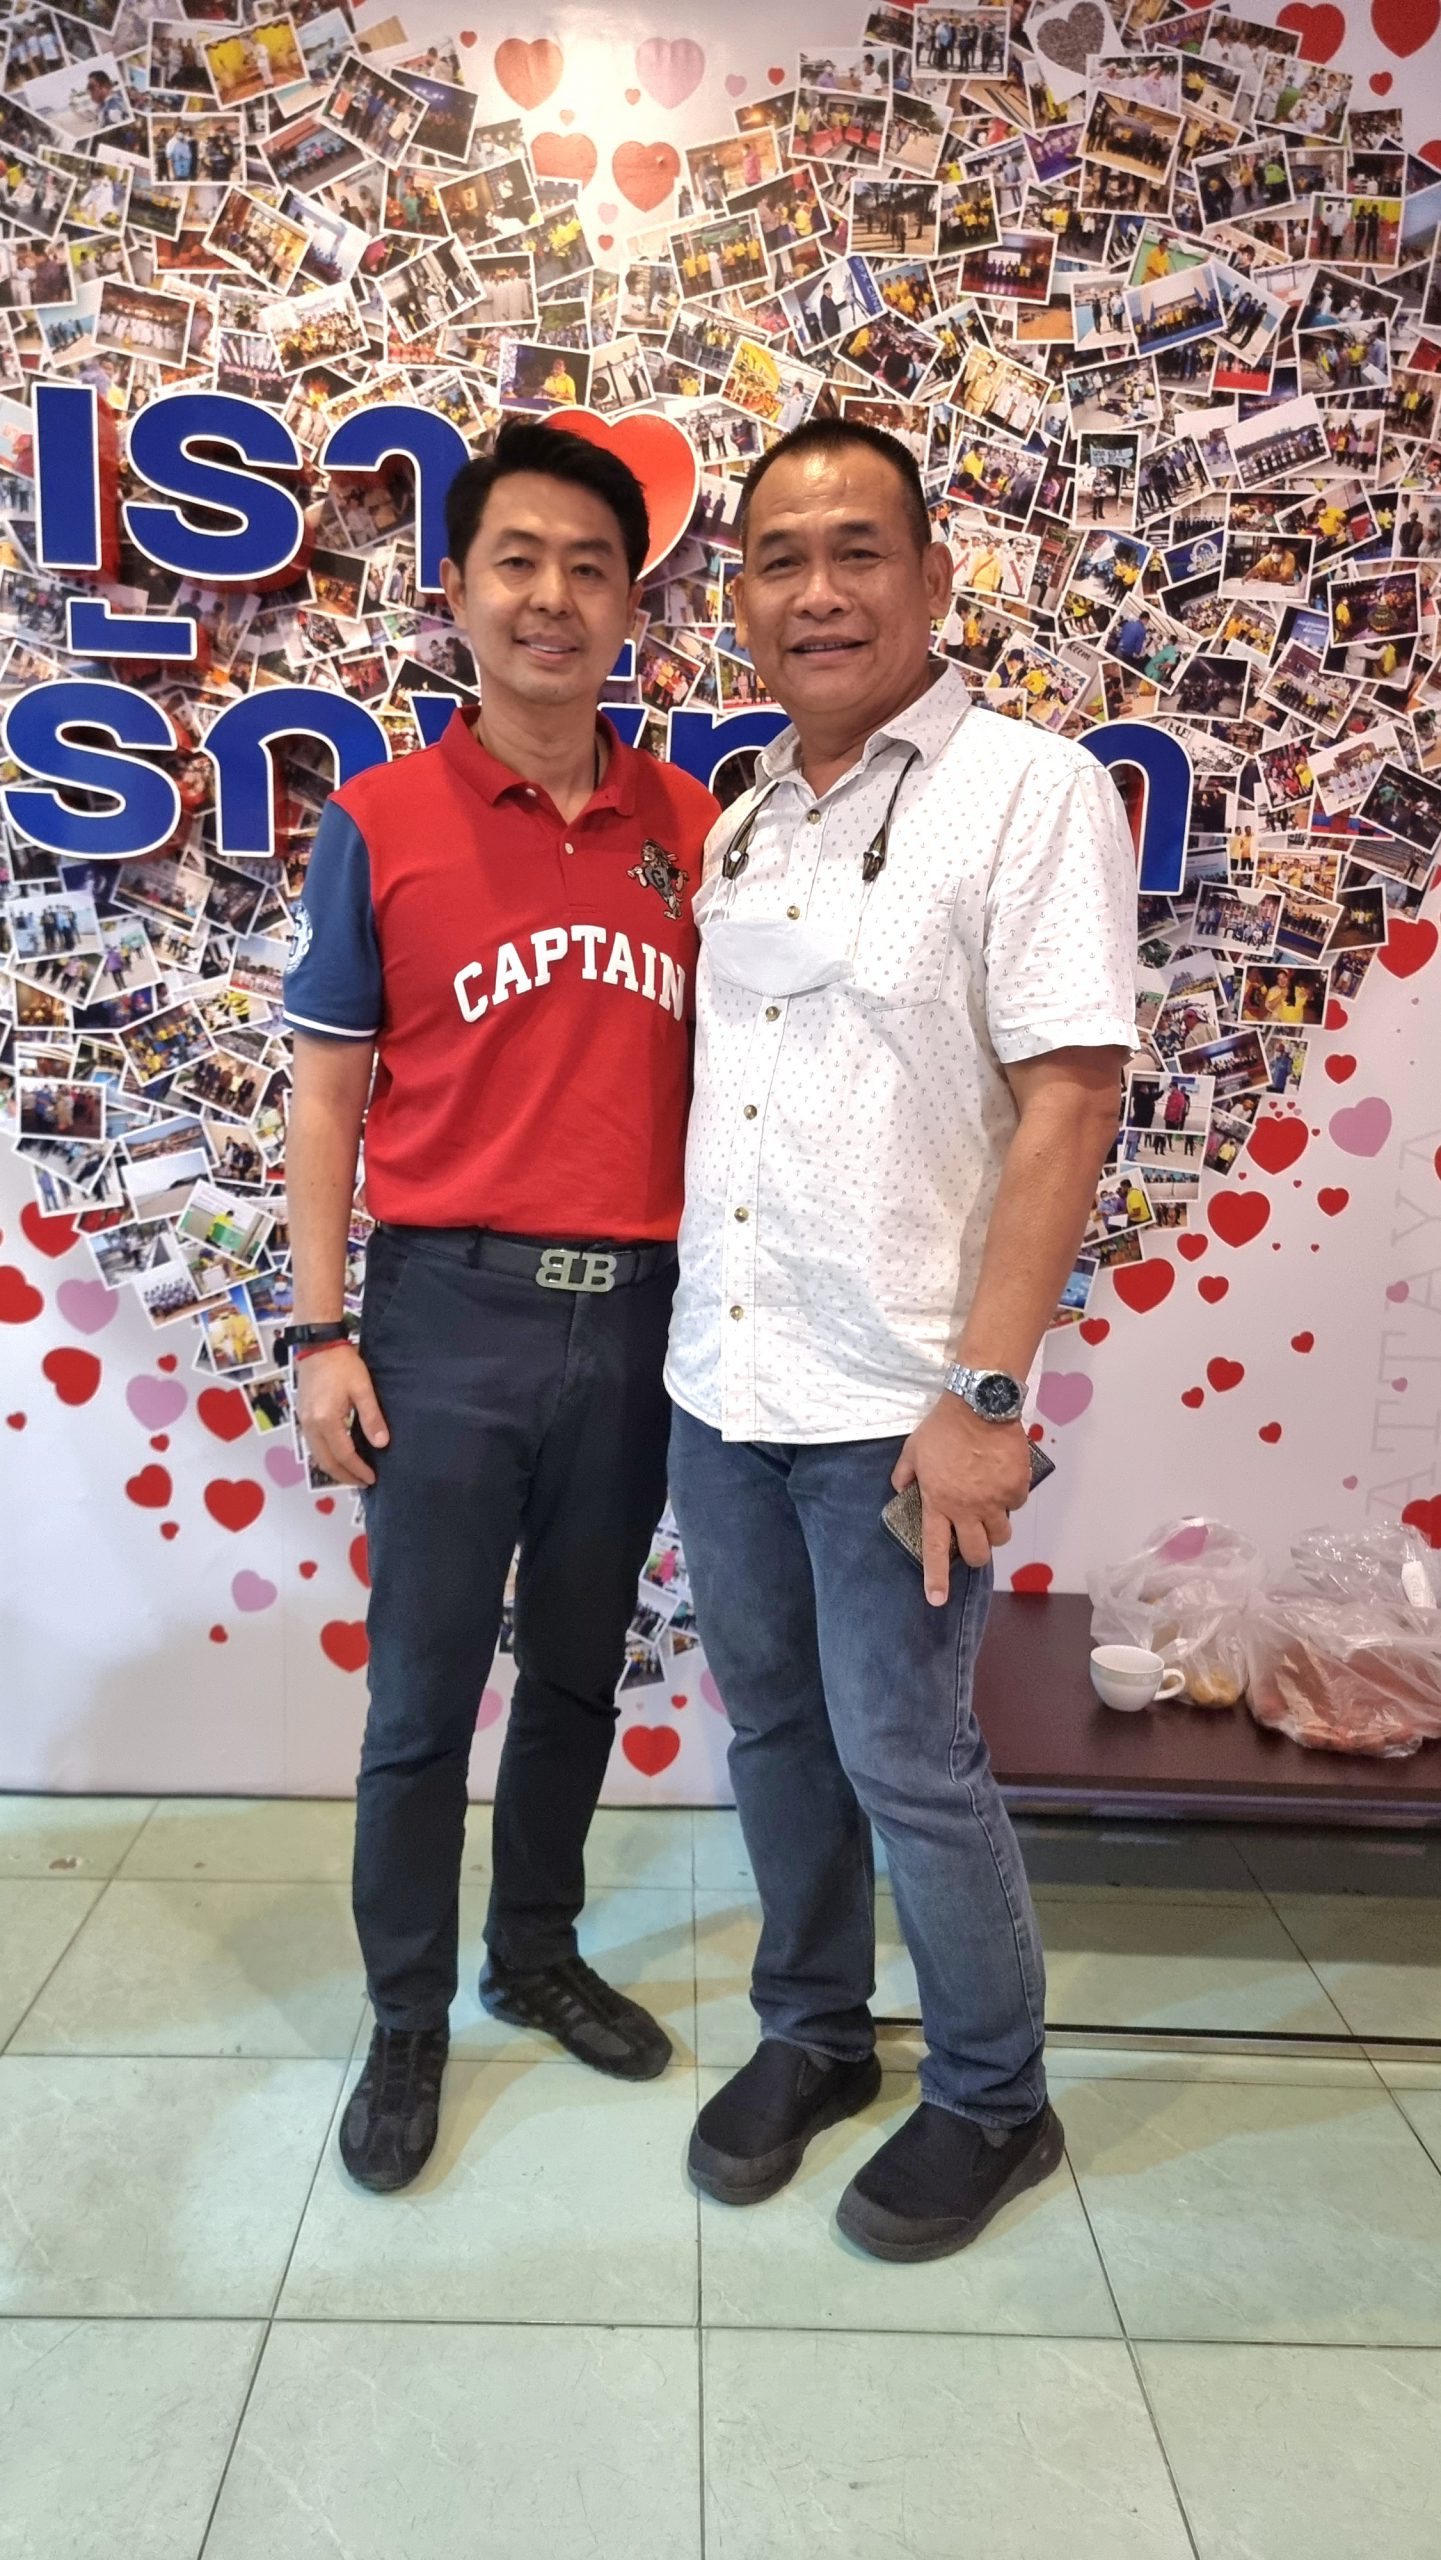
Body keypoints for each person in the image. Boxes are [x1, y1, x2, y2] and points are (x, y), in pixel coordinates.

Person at [664, 419, 1138, 2263]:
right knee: (775, 1731)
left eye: (856, 551)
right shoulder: (745, 818)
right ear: (740, 604)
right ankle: (811, 2031)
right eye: (777, 560)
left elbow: (1069, 1102)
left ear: (932, 580)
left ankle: (994, 2098)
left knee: (906, 1756)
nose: (817, 592)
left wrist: (983, 1396)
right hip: (727, 1379)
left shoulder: (1030, 793)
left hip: (900, 1402)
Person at [282, 423, 719, 2193]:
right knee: (421, 1698)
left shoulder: (695, 828)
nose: (552, 597)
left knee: (576, 1672)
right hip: (444, 1316)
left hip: (641, 1321)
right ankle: (406, 2015)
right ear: (454, 590)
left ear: (630, 604)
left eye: (589, 567)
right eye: (517, 561)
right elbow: (326, 1090)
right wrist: (319, 1333)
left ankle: (530, 1949)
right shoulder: (382, 821)